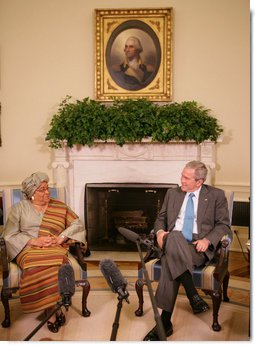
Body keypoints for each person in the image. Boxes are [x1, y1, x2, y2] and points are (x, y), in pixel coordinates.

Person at [143, 161, 232, 341]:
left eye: (186, 178)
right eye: (182, 175)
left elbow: (224, 225)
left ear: (199, 182)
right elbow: (160, 219)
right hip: (171, 240)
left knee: (170, 260)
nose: (181, 180)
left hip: (197, 247)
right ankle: (193, 295)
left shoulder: (216, 195)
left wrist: (208, 240)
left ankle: (164, 323)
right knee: (174, 236)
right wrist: (160, 232)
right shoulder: (172, 193)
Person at [2, 172, 86, 333]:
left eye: (47, 189)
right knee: (34, 264)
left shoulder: (59, 206)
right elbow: (9, 235)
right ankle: (53, 308)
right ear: (31, 193)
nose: (47, 192)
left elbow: (77, 223)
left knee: (57, 262)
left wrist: (61, 238)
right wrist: (33, 241)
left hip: (54, 247)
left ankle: (50, 310)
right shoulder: (18, 208)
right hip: (27, 249)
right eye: (42, 190)